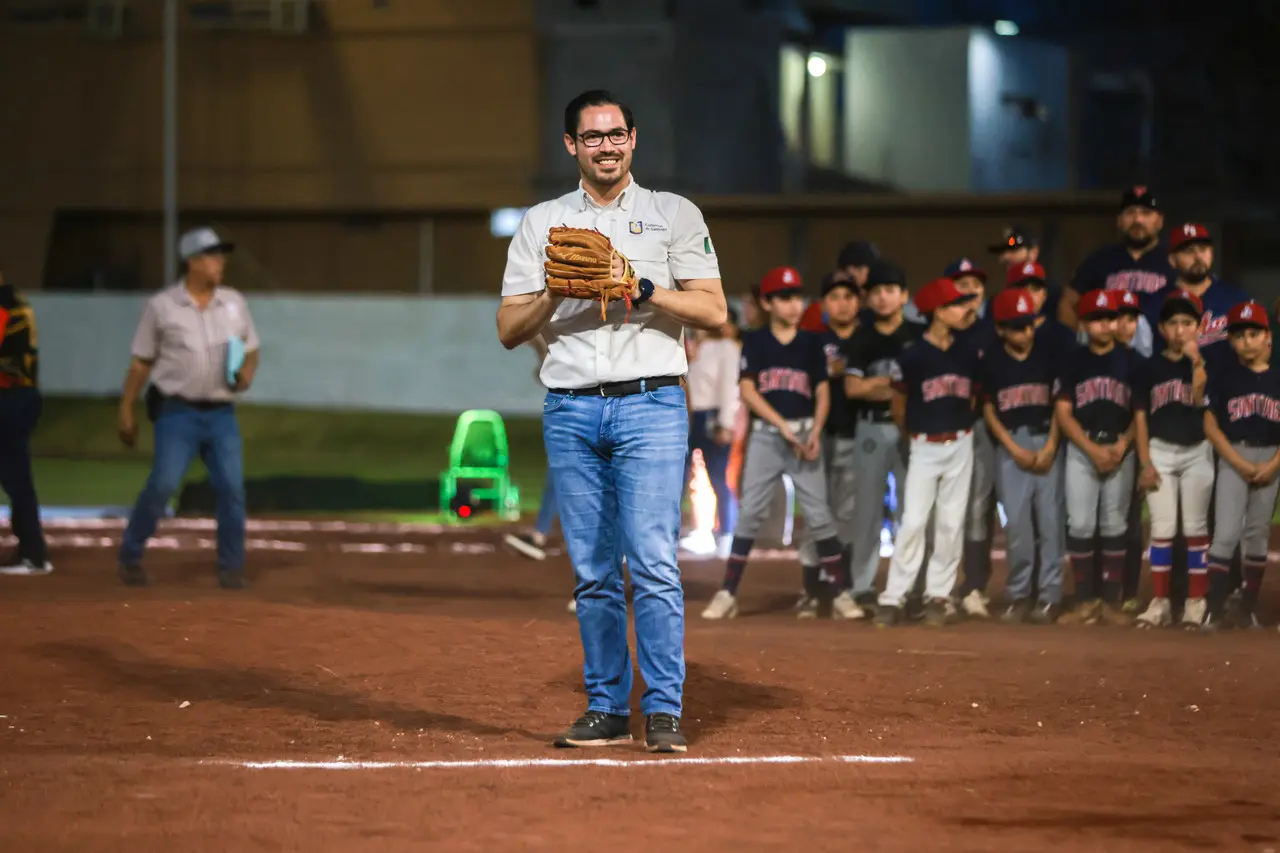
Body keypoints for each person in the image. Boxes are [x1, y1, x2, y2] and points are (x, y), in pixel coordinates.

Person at [496, 90, 726, 754]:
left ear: (634, 139)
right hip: (569, 406)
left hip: (652, 403)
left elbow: (713, 312)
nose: (606, 145)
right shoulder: (541, 223)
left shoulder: (671, 214)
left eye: (616, 134)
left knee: (653, 563)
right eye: (591, 137)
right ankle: (605, 707)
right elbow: (509, 328)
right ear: (571, 145)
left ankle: (663, 709)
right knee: (593, 570)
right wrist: (552, 293)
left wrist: (642, 287)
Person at [701, 266, 859, 621]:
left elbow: (821, 391)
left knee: (819, 515)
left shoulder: (812, 342)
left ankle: (839, 593)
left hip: (804, 435)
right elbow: (747, 391)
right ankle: (727, 592)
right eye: (784, 298)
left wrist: (815, 430)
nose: (793, 305)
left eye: (797, 297)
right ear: (768, 303)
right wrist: (783, 427)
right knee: (751, 513)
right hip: (768, 438)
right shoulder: (756, 341)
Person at [117, 227, 259, 590]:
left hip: (222, 414)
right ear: (192, 262)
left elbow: (251, 348)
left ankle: (231, 567)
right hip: (176, 412)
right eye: (212, 256)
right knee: (163, 484)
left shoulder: (234, 302)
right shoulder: (162, 306)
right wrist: (126, 410)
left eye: (221, 255)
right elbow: (141, 363)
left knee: (232, 488)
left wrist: (245, 373)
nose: (220, 262)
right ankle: (130, 555)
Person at [875, 277, 979, 628]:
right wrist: (915, 435)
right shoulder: (913, 355)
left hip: (961, 442)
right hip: (925, 444)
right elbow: (899, 405)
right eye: (954, 304)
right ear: (937, 312)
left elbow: (975, 397)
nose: (963, 310)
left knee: (951, 523)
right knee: (914, 522)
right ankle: (893, 596)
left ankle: (938, 595)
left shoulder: (968, 350)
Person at [1054, 290, 1140, 626]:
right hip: (1082, 450)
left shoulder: (1133, 361)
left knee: (1115, 525)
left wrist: (1121, 446)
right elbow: (1063, 412)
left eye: (1110, 318)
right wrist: (1090, 449)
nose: (1105, 325)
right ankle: (1085, 599)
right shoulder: (1073, 361)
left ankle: (1109, 601)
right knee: (1081, 524)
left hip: (1121, 449)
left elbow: (1141, 415)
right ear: (1084, 323)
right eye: (1096, 319)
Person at [979, 288, 1064, 624]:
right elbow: (988, 409)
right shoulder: (993, 361)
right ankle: (1019, 594)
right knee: (1016, 526)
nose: (1024, 332)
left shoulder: (1048, 355)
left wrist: (1051, 446)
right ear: (1001, 329)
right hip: (1010, 443)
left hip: (1046, 439)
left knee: (1049, 523)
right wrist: (1013, 449)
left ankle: (1050, 595)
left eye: (1027, 325)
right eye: (1016, 326)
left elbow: (1061, 405)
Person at [1131, 291, 1211, 629]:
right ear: (1162, 328)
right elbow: (1140, 419)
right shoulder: (1149, 367)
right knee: (1162, 529)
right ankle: (1160, 601)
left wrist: (1196, 361)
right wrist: (1146, 462)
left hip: (1197, 451)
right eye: (1173, 323)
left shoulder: (1207, 365)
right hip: (1161, 450)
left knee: (1195, 529)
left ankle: (1196, 601)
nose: (1180, 330)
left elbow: (1198, 398)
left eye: (1187, 323)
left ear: (1198, 327)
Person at [844, 261, 920, 613]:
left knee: (913, 511)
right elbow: (854, 389)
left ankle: (911, 587)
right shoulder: (862, 337)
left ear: (904, 295)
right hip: (871, 428)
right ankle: (862, 586)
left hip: (910, 429)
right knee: (867, 513)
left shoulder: (918, 335)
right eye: (876, 291)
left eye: (890, 289)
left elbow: (918, 390)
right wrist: (891, 386)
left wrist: (880, 386)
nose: (883, 297)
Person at [1202, 301, 1280, 631]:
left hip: (1271, 458)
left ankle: (1247, 608)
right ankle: (1213, 609)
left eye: (1253, 333)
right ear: (1231, 342)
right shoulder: (1224, 378)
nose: (1246, 341)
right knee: (1226, 533)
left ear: (1268, 338)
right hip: (1234, 455)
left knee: (1258, 533)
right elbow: (1209, 424)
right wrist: (1235, 460)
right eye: (1239, 335)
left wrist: (1274, 464)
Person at [796, 272, 861, 614]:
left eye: (849, 296)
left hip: (854, 434)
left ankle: (841, 586)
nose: (843, 303)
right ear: (823, 304)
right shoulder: (811, 340)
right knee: (816, 511)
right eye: (835, 296)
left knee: (847, 514)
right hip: (818, 435)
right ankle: (811, 587)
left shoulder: (865, 338)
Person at [944, 258, 997, 619]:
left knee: (978, 510)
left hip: (980, 427)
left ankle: (975, 586)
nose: (969, 291)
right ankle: (939, 587)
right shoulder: (938, 331)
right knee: (941, 513)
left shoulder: (991, 332)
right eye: (960, 284)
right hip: (940, 429)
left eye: (974, 284)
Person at [1060, 185, 1173, 336]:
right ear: (1119, 220)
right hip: (1109, 352)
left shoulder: (1174, 261)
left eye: (1146, 213)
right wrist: (1084, 337)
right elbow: (1067, 303)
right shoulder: (1099, 260)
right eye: (1130, 213)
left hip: (1160, 353)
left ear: (1160, 221)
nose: (1137, 220)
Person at [0, 267, 51, 576]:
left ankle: (33, 551)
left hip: (9, 398)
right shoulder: (13, 297)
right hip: (19, 396)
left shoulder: (4, 302)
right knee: (16, 476)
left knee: (16, 477)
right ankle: (32, 549)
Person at [682, 317, 741, 558]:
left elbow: (730, 387)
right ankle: (691, 531)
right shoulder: (691, 348)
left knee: (718, 476)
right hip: (689, 416)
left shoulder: (727, 347)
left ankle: (726, 535)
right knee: (678, 479)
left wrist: (726, 423)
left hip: (712, 414)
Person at [1165, 223, 1249, 371]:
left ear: (1212, 253)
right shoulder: (1157, 302)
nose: (1198, 257)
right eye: (1189, 251)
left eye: (1203, 249)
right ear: (1172, 260)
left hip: (1227, 388)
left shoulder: (1236, 299)